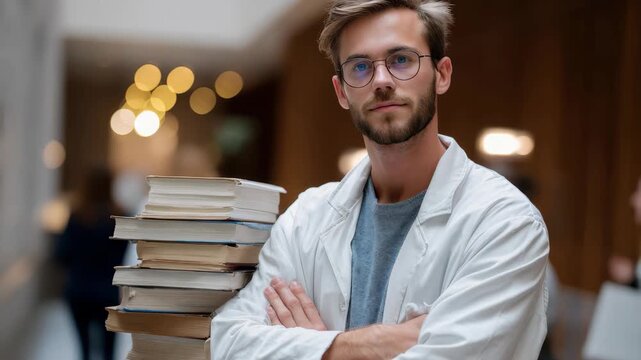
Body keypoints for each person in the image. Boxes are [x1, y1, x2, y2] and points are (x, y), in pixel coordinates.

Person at [211, 1, 549, 359]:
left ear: (442, 74)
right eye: (360, 67)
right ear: (342, 91)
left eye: (401, 60)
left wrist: (310, 349)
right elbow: (227, 342)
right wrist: (366, 345)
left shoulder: (505, 222)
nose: (382, 80)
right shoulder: (304, 219)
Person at [55, 167, 128, 360]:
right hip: (109, 293)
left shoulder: (76, 216)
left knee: (84, 350)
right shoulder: (120, 217)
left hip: (79, 291)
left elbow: (61, 254)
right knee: (108, 352)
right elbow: (126, 256)